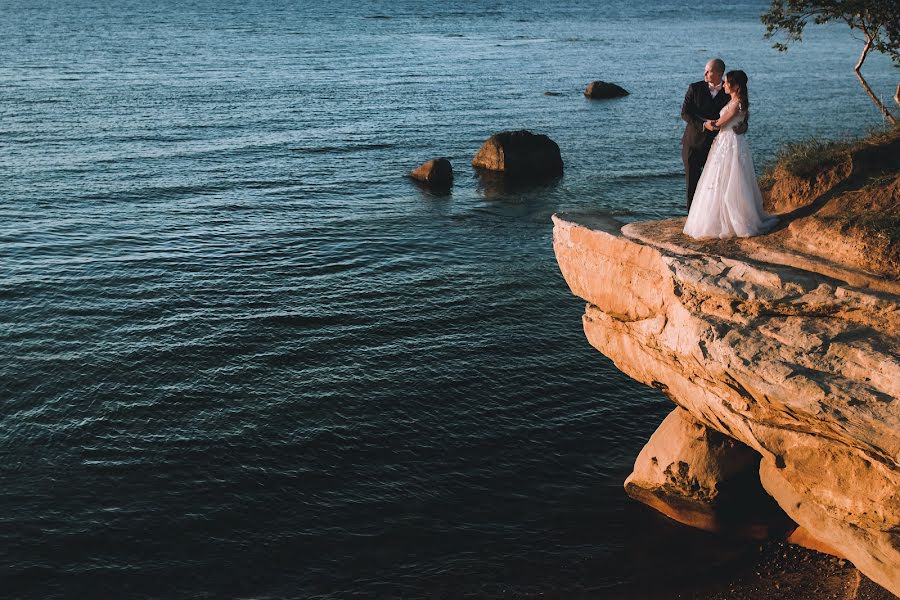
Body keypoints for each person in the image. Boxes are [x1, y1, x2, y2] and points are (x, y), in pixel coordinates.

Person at [683, 70, 777, 239]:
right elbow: (741, 120)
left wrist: (710, 124)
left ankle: (728, 220)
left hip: (729, 142)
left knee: (727, 179)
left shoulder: (735, 104)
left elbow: (722, 123)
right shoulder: (736, 101)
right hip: (728, 142)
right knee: (724, 179)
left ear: (736, 86)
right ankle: (719, 216)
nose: (725, 85)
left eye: (727, 83)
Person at [681, 58, 747, 210]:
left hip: (718, 146)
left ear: (719, 73)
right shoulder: (694, 88)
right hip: (693, 143)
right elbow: (685, 113)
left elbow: (741, 114)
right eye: (705, 70)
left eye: (708, 71)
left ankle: (714, 214)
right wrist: (704, 124)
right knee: (692, 184)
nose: (704, 73)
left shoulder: (730, 91)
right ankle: (692, 218)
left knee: (716, 184)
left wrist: (743, 126)